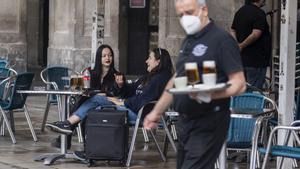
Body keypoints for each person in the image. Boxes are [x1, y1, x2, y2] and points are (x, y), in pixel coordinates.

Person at [143, 0, 246, 169]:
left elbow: (239, 84)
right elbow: (176, 80)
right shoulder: (188, 42)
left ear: (203, 10)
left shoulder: (221, 40)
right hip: (186, 122)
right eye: (181, 15)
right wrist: (156, 111)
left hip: (209, 121)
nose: (185, 18)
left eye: (189, 13)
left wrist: (210, 94)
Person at [46, 48, 174, 135]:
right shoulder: (147, 77)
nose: (146, 61)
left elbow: (140, 101)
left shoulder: (159, 79)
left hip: (140, 115)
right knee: (95, 108)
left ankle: (69, 124)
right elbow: (131, 89)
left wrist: (121, 102)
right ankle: (91, 150)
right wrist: (121, 85)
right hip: (133, 110)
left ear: (158, 61)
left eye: (150, 58)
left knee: (97, 100)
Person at [51, 44, 125, 149]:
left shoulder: (117, 75)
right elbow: (85, 89)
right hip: (90, 102)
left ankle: (66, 133)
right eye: (104, 56)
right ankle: (72, 136)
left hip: (107, 105)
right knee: (81, 102)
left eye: (110, 55)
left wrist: (120, 85)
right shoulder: (90, 72)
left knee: (84, 106)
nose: (107, 58)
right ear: (99, 58)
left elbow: (117, 94)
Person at [230, 0, 271, 89]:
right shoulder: (259, 13)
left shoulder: (240, 12)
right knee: (254, 91)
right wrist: (241, 45)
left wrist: (237, 44)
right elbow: (256, 33)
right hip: (256, 61)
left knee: (244, 91)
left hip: (242, 60)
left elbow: (233, 30)